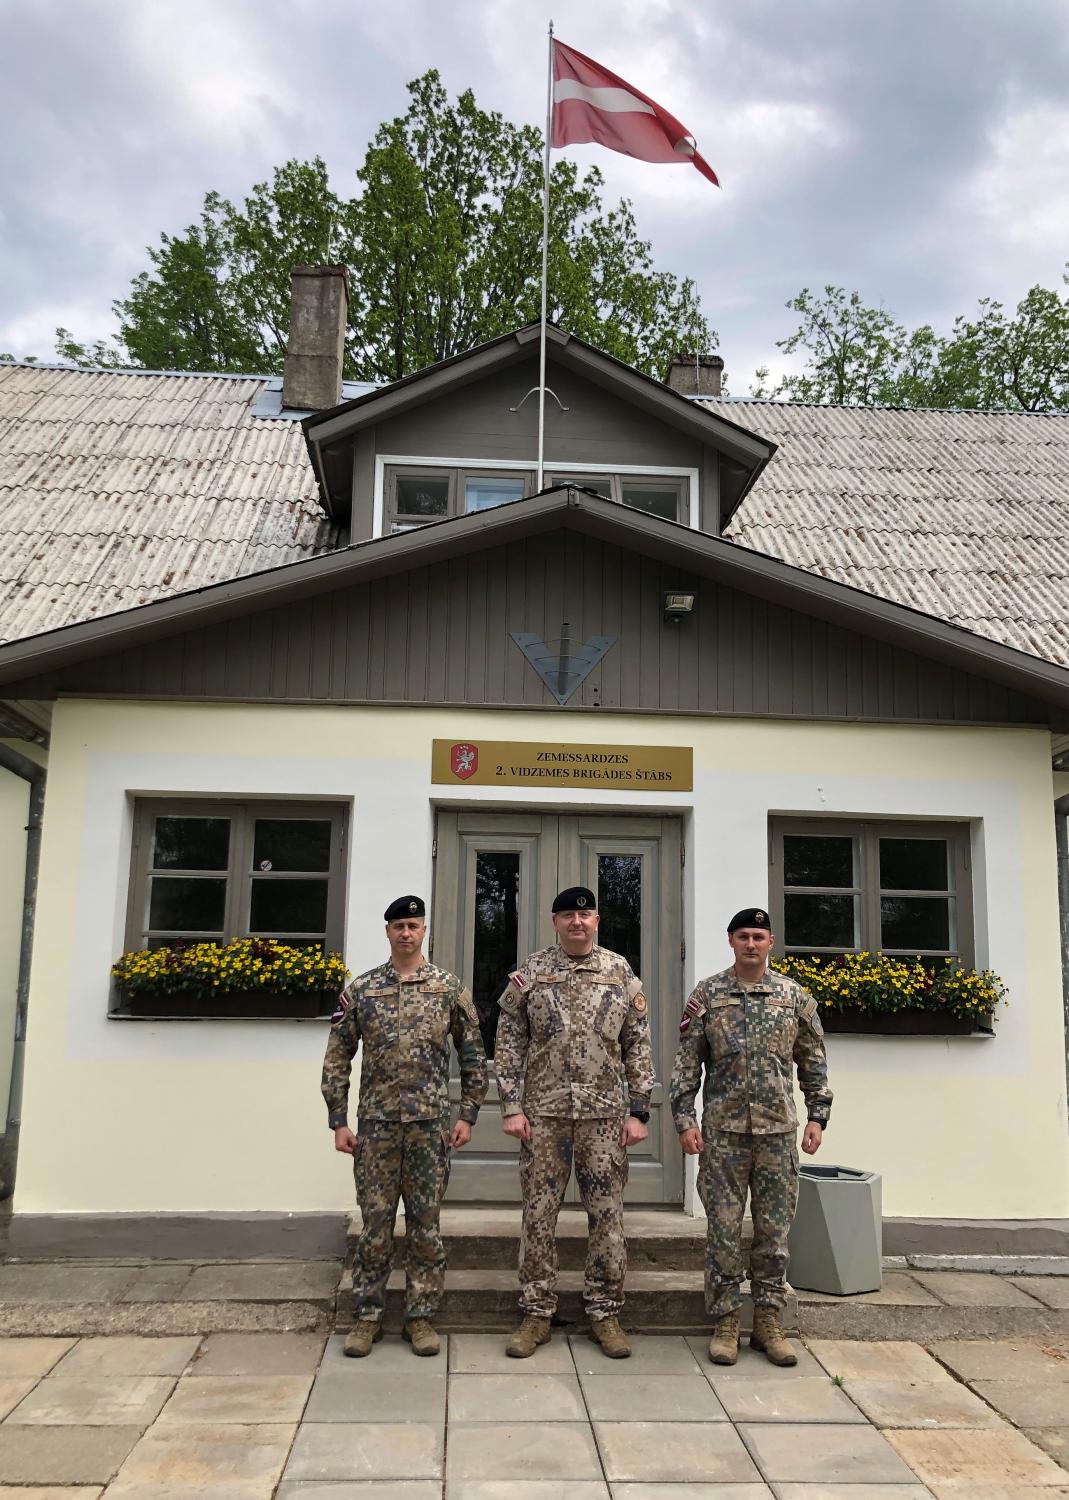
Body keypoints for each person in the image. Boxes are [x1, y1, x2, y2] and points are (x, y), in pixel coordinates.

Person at [322, 895, 488, 1358]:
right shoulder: (363, 989)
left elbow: (473, 1056)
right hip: (375, 1128)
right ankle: (368, 1317)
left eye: (413, 925)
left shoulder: (448, 989)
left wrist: (468, 1114)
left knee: (425, 1226)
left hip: (429, 1128)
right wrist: (338, 1119)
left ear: (424, 931)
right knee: (375, 1225)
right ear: (388, 932)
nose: (406, 933)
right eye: (399, 926)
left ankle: (420, 1318)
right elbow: (338, 1055)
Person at [495, 886, 655, 1360]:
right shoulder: (532, 973)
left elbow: (638, 1042)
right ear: (554, 921)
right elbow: (508, 1041)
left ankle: (605, 1313)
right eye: (568, 915)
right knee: (538, 1216)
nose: (577, 922)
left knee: (607, 1217)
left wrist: (639, 1108)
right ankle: (536, 1312)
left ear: (597, 920)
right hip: (542, 1115)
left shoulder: (619, 971)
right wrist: (511, 1105)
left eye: (584, 914)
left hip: (605, 1117)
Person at [669, 907, 832, 1367]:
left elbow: (813, 1060)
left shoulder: (793, 997)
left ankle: (767, 1320)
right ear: (730, 941)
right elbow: (687, 1064)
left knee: (773, 1232)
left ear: (771, 941)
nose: (751, 944)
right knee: (722, 1229)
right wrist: (685, 1119)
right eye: (743, 936)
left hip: (778, 1132)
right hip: (723, 1134)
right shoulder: (708, 995)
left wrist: (818, 1116)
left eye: (759, 936)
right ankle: (725, 1320)